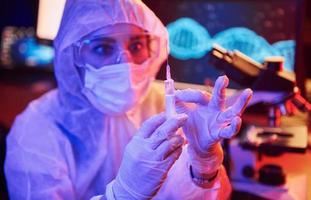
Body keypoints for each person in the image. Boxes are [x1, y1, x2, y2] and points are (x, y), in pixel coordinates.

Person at [4, 0, 253, 199]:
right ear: (72, 57)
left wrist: (203, 166)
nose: (125, 63)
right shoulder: (35, 131)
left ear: (153, 48)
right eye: (102, 48)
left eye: (136, 45)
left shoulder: (171, 107)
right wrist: (123, 195)